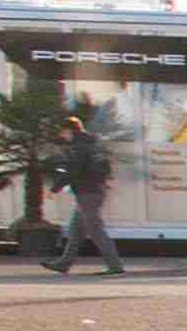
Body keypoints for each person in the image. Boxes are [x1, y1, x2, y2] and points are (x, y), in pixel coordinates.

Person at [43, 108, 126, 276]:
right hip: (93, 191)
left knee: (95, 230)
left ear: (69, 130)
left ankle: (115, 266)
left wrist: (54, 188)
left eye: (62, 132)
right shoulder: (94, 143)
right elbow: (105, 164)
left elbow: (73, 171)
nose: (62, 136)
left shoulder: (78, 147)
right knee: (76, 230)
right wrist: (105, 179)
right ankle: (63, 264)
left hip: (87, 193)